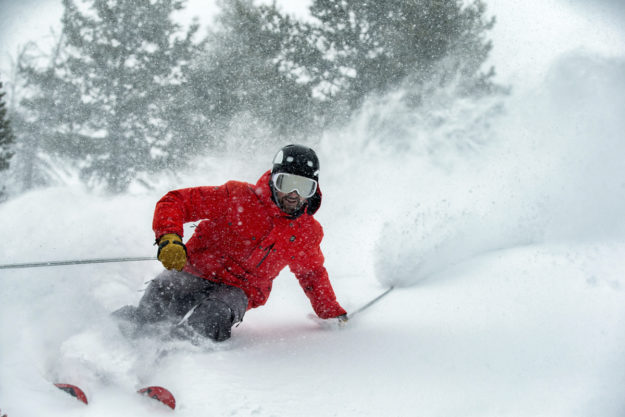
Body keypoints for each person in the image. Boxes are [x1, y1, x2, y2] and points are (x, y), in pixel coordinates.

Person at [114, 144, 347, 342]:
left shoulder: (306, 232)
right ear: (273, 180)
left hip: (238, 290)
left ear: (314, 191)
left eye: (305, 187)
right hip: (195, 271)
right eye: (286, 183)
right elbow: (177, 202)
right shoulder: (237, 197)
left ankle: (177, 361)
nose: (294, 194)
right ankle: (106, 342)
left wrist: (329, 312)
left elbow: (312, 273)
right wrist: (169, 238)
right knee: (159, 299)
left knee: (211, 316)